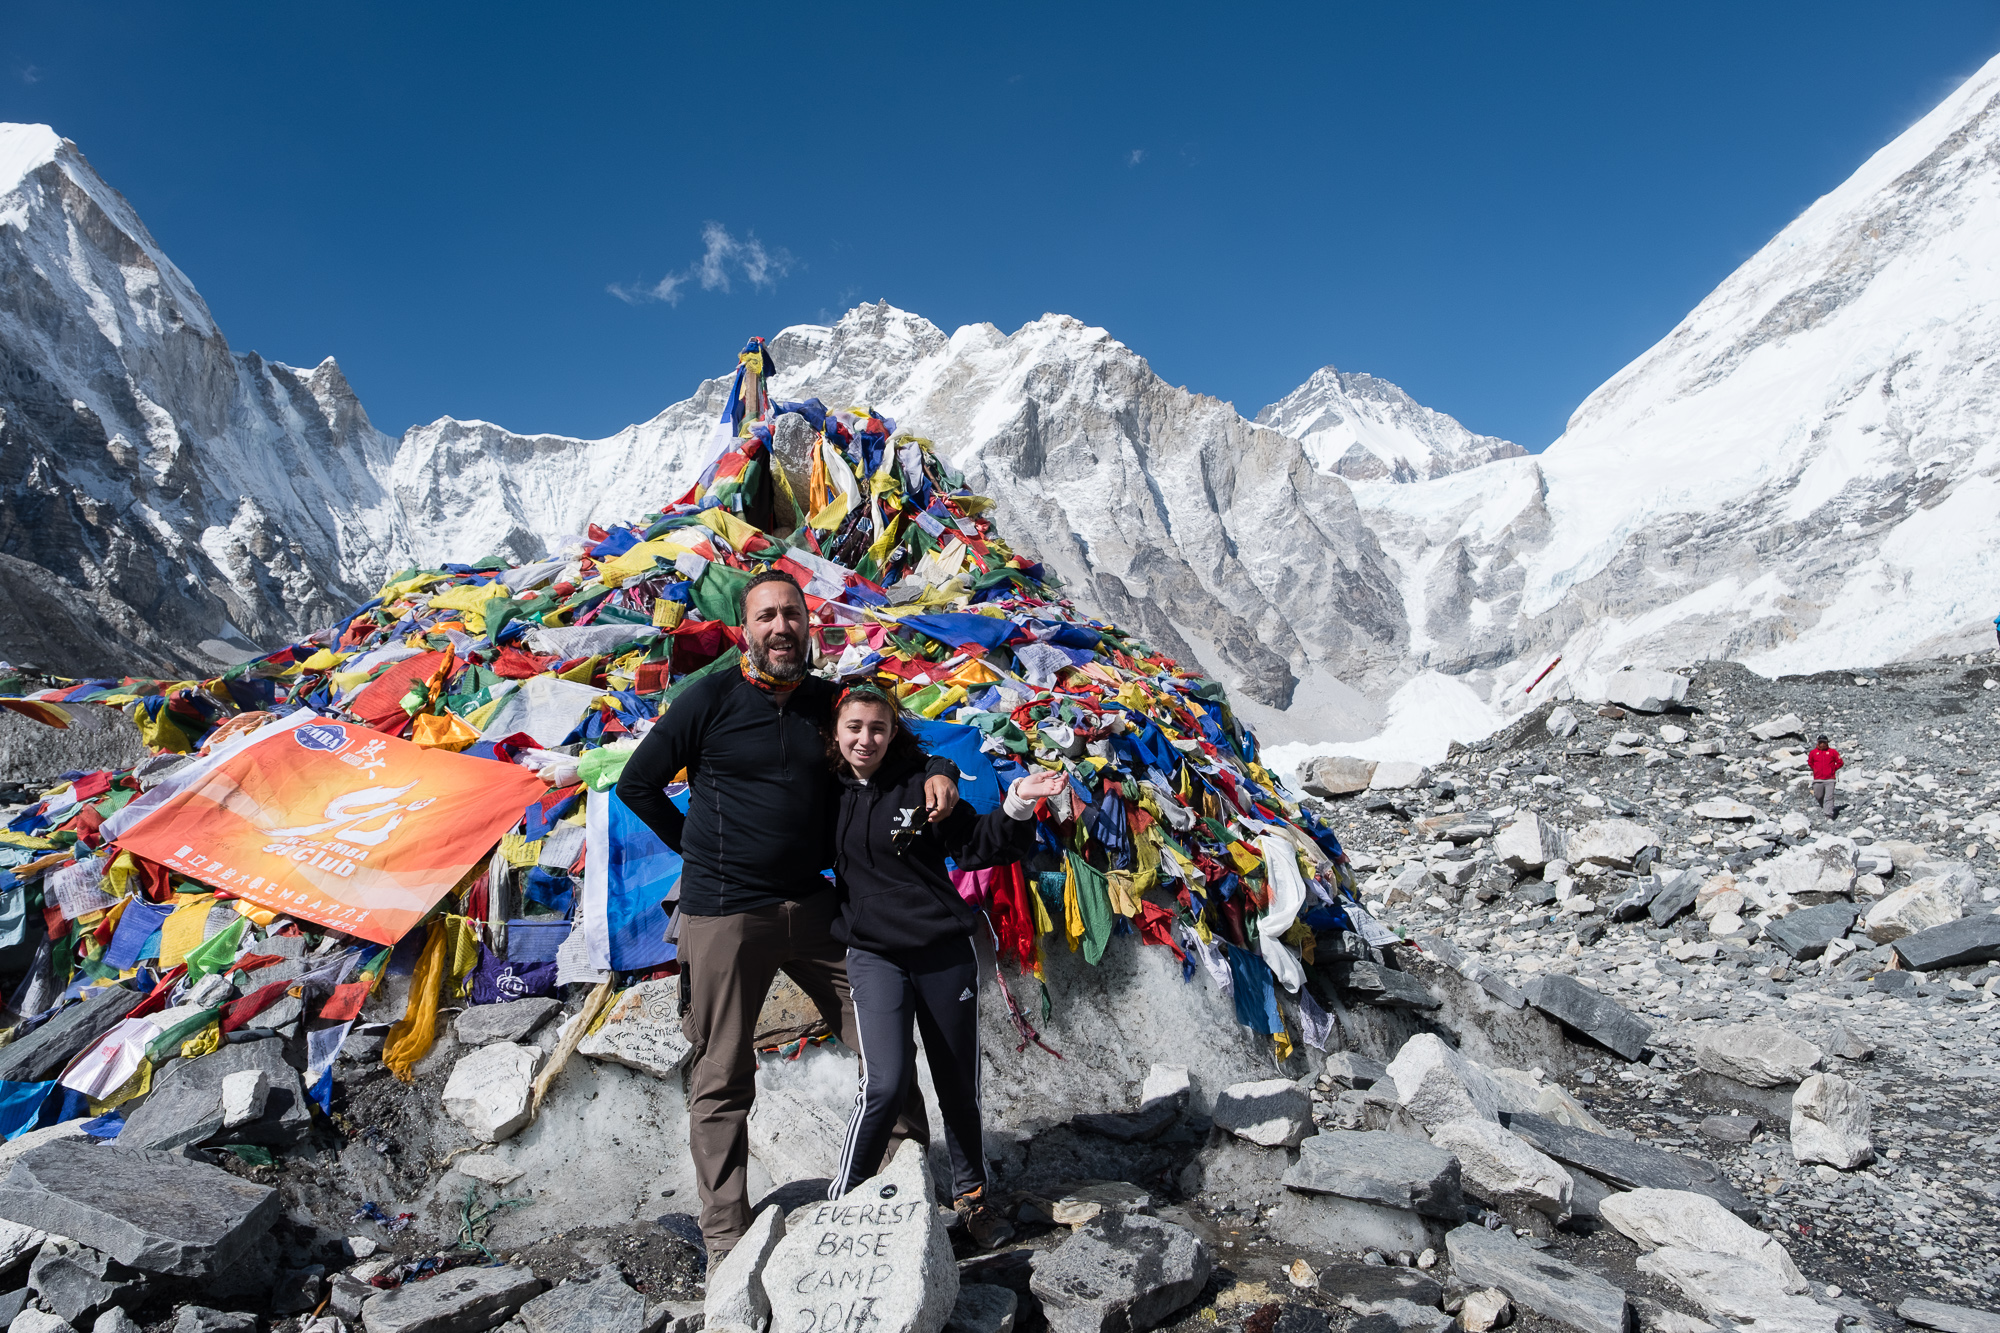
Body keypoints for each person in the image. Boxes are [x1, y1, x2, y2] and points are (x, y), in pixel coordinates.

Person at [614, 570, 961, 1267]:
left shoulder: (830, 703)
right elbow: (636, 782)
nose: (781, 627)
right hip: (723, 913)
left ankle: (908, 1190)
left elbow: (903, 747)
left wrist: (939, 769)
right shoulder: (706, 700)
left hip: (816, 905)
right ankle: (726, 1240)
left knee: (881, 1036)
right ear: (746, 628)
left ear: (810, 624)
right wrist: (695, 847)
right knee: (723, 1072)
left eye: (793, 615)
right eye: (767, 616)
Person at [821, 682, 1067, 1248]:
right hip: (874, 955)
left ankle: (973, 1199)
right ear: (835, 733)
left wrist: (1018, 803)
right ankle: (845, 1197)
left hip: (942, 953)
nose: (866, 739)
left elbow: (980, 846)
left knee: (958, 1086)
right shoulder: (823, 793)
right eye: (854, 728)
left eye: (878, 728)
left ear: (893, 732)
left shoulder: (919, 787)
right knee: (882, 1084)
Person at [1807, 734, 1843, 817]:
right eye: (1821, 742)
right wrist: (1815, 770)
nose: (1822, 744)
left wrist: (1833, 769)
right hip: (1818, 779)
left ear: (1827, 743)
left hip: (1830, 779)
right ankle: (1825, 806)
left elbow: (1840, 762)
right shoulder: (1813, 753)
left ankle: (1828, 814)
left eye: (1824, 742)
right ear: (1818, 743)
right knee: (1818, 795)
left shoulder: (1832, 752)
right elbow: (1810, 762)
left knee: (1829, 797)